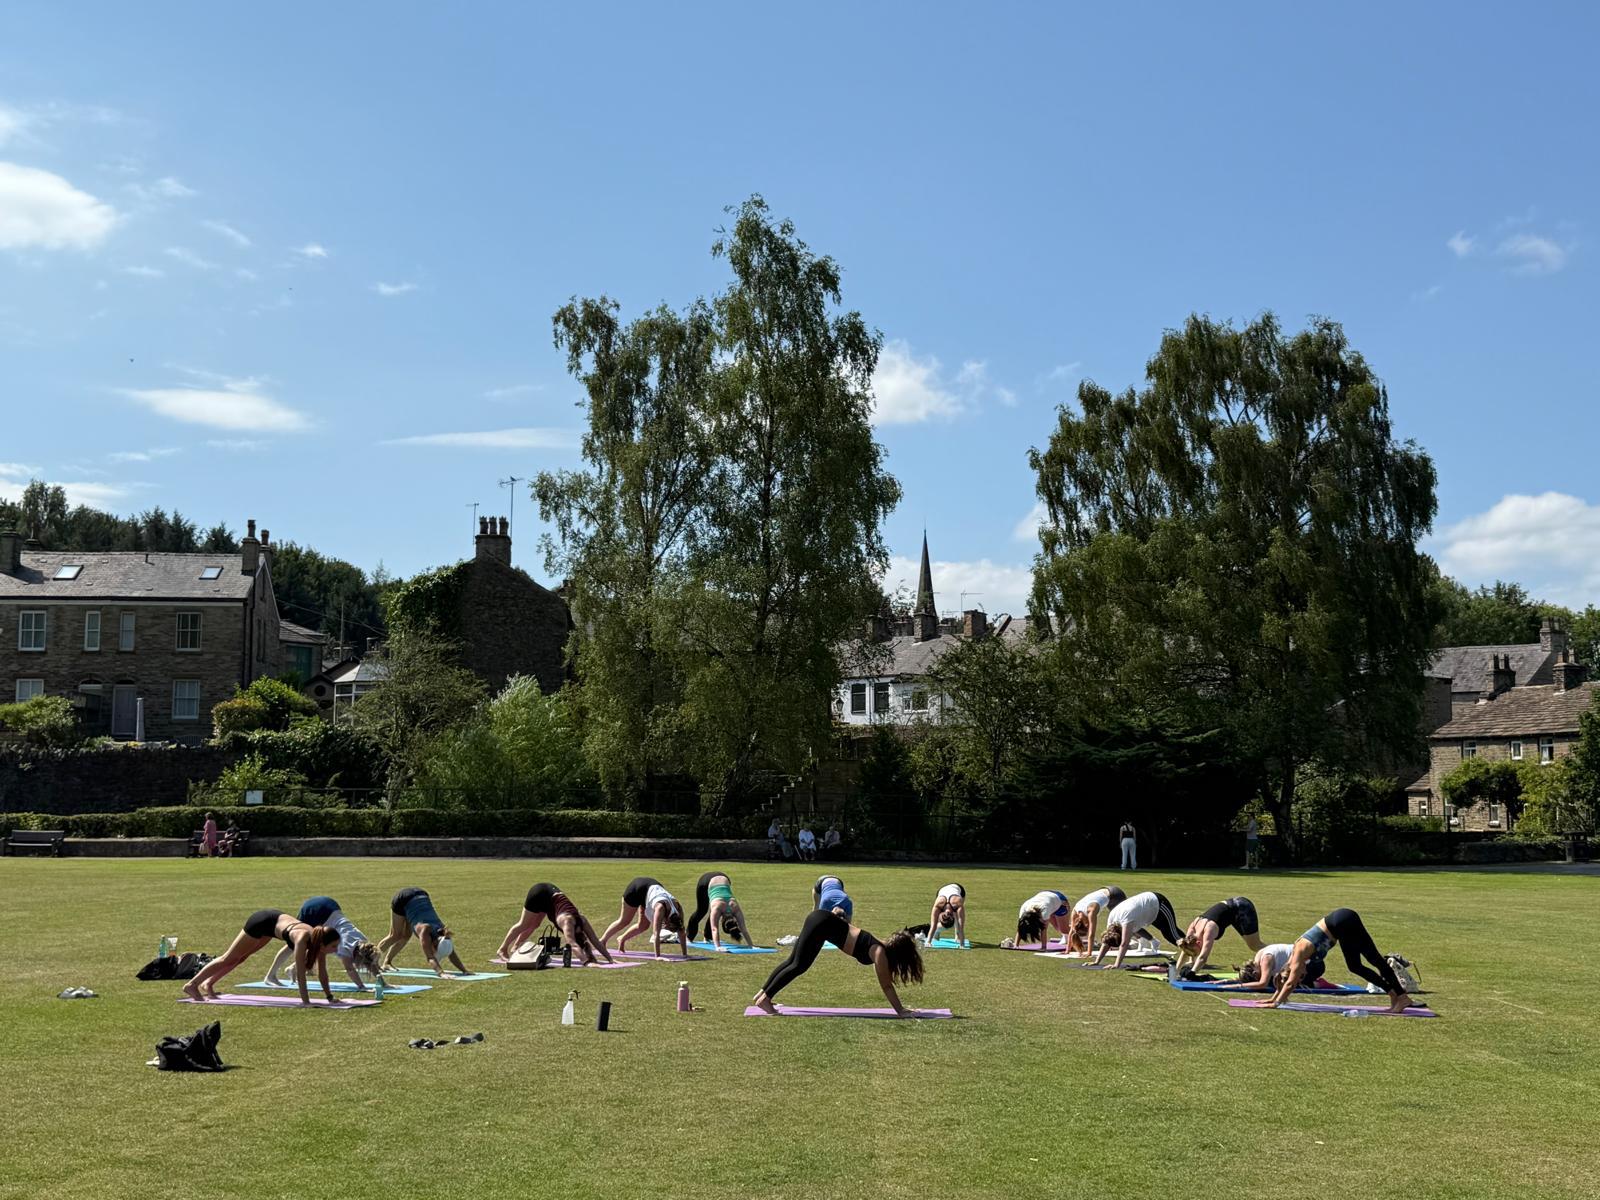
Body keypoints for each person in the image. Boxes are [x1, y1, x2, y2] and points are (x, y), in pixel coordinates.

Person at [750, 909, 924, 1016]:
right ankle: (765, 998)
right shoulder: (879, 953)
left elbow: (886, 981)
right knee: (798, 965)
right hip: (822, 923)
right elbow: (886, 986)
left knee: (793, 962)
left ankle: (762, 996)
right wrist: (900, 1011)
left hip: (820, 919)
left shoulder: (880, 947)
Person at [1253, 908, 1413, 1013]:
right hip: (1341, 923)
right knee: (1356, 966)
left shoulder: (1298, 957)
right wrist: (1274, 997)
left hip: (1343, 921)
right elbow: (1285, 979)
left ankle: (1402, 997)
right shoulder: (1292, 960)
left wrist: (1276, 1003)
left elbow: (1289, 983)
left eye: (1299, 975)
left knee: (1374, 960)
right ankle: (1394, 994)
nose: (1302, 975)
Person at [182, 908, 341, 1004]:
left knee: (241, 958)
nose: (336, 949)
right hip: (262, 921)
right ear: (322, 944)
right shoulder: (302, 939)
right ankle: (192, 985)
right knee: (229, 957)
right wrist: (306, 1002)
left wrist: (330, 997)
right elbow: (300, 974)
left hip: (272, 928)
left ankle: (208, 984)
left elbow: (323, 974)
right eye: (334, 946)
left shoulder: (318, 944)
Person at [264, 896, 384, 991]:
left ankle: (292, 968)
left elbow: (369, 961)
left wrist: (383, 983)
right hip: (316, 911)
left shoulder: (363, 943)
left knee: (318, 945)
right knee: (294, 944)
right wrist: (362, 987)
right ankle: (271, 975)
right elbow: (350, 969)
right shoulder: (345, 947)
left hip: (329, 906)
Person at [495, 881, 613, 964]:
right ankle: (502, 949)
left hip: (550, 897)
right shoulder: (567, 922)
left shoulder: (582, 921)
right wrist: (586, 962)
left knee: (535, 925)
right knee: (524, 924)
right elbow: (572, 944)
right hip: (540, 893)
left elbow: (595, 941)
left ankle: (516, 948)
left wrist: (610, 959)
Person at [377, 886, 468, 976]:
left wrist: (464, 970)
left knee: (406, 936)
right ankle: (370, 959)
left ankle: (387, 963)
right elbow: (430, 958)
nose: (434, 953)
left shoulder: (444, 934)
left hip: (420, 895)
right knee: (396, 935)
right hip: (403, 899)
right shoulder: (424, 930)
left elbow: (451, 953)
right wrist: (441, 973)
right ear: (435, 944)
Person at [599, 876, 689, 959]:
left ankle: (622, 939)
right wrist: (657, 956)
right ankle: (602, 941)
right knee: (624, 920)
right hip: (635, 889)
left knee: (643, 926)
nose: (665, 927)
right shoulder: (660, 908)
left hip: (648, 892)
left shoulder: (678, 910)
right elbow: (656, 933)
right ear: (668, 921)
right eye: (667, 927)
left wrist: (685, 954)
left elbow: (681, 931)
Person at [1092, 890, 1184, 968]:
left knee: (1172, 934)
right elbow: (1106, 943)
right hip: (1150, 911)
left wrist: (1116, 964)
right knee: (1168, 934)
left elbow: (1124, 943)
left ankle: (1194, 950)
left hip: (1159, 904)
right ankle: (1192, 952)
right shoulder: (1111, 923)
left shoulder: (1126, 919)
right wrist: (1097, 961)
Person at [1174, 896, 1266, 973]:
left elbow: (1203, 958)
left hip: (1242, 908)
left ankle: (1277, 953)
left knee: (1255, 945)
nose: (1195, 956)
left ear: (1198, 943)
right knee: (1254, 946)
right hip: (1233, 908)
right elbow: (1185, 950)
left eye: (1195, 953)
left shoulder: (1208, 931)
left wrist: (1192, 973)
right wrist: (1175, 971)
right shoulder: (1192, 930)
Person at [685, 871, 755, 949]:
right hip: (705, 881)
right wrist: (717, 947)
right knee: (701, 911)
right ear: (722, 921)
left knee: (713, 914)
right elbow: (714, 929)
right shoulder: (722, 908)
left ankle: (708, 937)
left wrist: (751, 946)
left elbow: (743, 929)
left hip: (724, 878)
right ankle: (688, 937)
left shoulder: (735, 908)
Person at [1231, 943, 1325, 992]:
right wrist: (1224, 981)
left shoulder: (1265, 960)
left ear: (1255, 974)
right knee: (1275, 980)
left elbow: (1262, 983)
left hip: (1314, 965)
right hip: (1311, 959)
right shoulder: (1258, 957)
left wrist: (1238, 986)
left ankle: (1318, 984)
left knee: (1274, 984)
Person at [1065, 885, 1126, 954]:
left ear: (1086, 925)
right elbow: (1072, 932)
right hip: (1105, 890)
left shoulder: (1091, 911)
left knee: (1124, 920)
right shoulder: (1075, 912)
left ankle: (1138, 939)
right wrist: (1067, 951)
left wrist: (1089, 953)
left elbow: (1091, 934)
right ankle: (1133, 939)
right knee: (1119, 922)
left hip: (1115, 894)